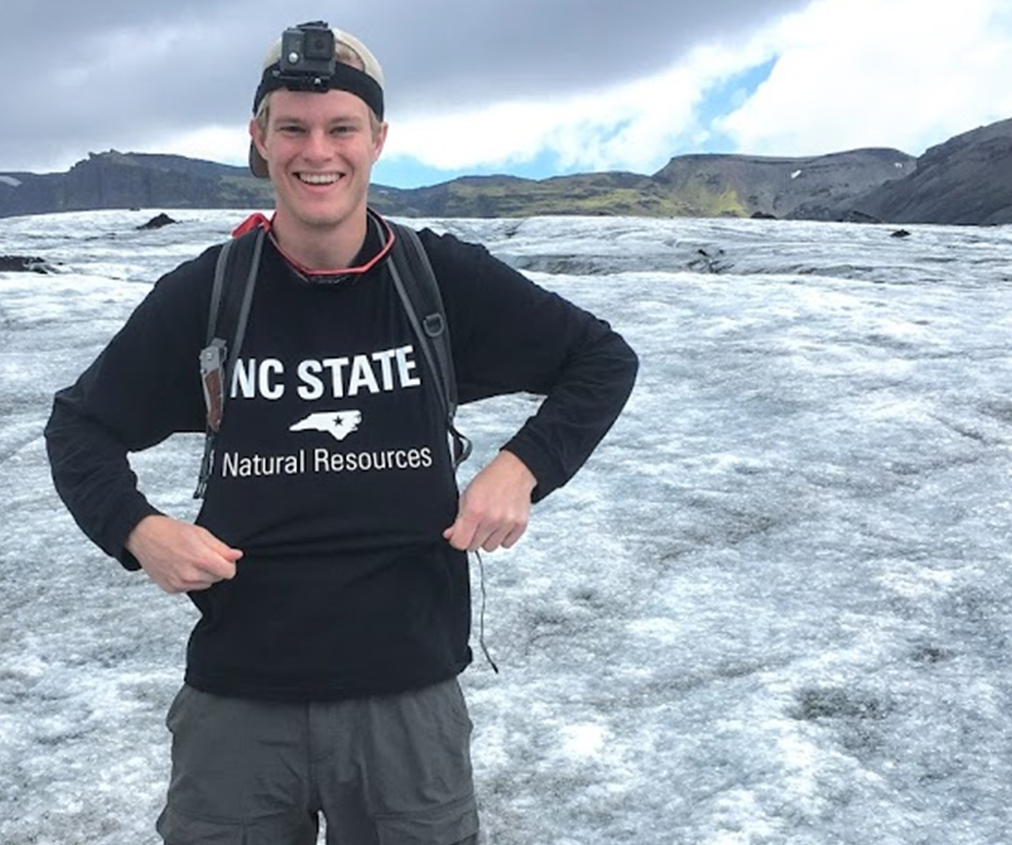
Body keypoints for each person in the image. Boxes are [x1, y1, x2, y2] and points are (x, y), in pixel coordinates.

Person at [44, 20, 637, 845]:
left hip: (407, 702)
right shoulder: (210, 295)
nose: (316, 150)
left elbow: (601, 359)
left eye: (340, 128)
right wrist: (139, 530)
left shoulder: (438, 281)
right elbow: (79, 426)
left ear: (378, 139)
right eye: (291, 127)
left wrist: (522, 466)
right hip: (239, 702)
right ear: (260, 139)